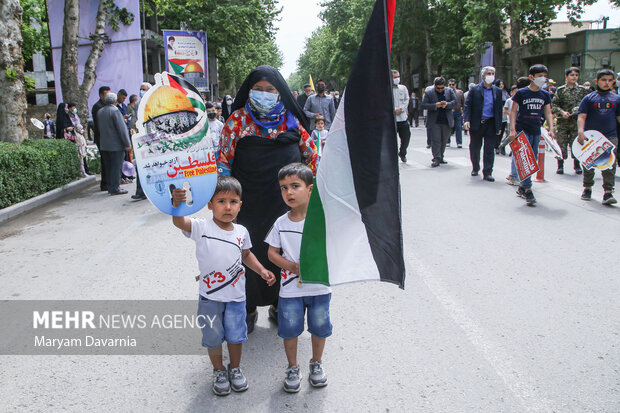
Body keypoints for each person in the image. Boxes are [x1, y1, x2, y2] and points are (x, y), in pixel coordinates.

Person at [217, 65, 317, 333]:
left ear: (279, 93)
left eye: (270, 90)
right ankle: (246, 309)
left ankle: (279, 304)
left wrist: (312, 197)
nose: (264, 94)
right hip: (247, 205)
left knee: (282, 254)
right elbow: (223, 162)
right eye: (258, 90)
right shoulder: (236, 121)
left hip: (284, 205)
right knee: (245, 255)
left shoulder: (293, 121)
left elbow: (311, 158)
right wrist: (228, 203)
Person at [171, 176, 275, 396]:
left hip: (236, 298)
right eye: (221, 201)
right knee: (213, 336)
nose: (227, 207)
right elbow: (180, 222)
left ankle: (235, 369)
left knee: (236, 336)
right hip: (210, 297)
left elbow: (246, 255)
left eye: (233, 201)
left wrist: (262, 270)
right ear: (210, 205)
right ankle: (218, 370)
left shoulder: (241, 232)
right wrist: (177, 204)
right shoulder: (201, 227)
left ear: (240, 205)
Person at [265, 163, 332, 393]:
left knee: (319, 328)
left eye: (295, 186)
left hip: (319, 290)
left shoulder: (322, 220)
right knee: (290, 330)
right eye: (284, 188)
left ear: (310, 189)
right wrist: (291, 267)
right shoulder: (281, 223)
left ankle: (316, 363)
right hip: (290, 291)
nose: (289, 193)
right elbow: (272, 253)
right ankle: (293, 367)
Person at [508, 64, 555, 206]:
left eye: (544, 76)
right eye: (539, 76)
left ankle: (522, 186)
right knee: (525, 159)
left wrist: (551, 129)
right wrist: (512, 129)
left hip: (536, 129)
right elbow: (513, 111)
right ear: (531, 77)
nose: (542, 78)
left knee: (533, 160)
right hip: (522, 130)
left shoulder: (545, 94)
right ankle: (528, 189)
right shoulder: (522, 93)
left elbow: (547, 112)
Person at [577, 69, 620, 205]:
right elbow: (581, 117)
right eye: (603, 80)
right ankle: (587, 188)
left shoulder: (616, 99)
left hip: (610, 136)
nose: (606, 83)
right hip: (592, 137)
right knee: (588, 163)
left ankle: (608, 192)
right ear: (597, 81)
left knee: (609, 163)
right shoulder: (589, 98)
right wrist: (580, 131)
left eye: (609, 80)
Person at [463, 66, 504, 181]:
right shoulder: (475, 89)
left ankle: (488, 172)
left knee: (489, 149)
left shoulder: (497, 91)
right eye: (488, 73)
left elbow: (499, 110)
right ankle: (475, 167)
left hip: (491, 123)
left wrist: (499, 125)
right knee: (475, 147)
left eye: (492, 73)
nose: (491, 76)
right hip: (477, 123)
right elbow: (468, 106)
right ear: (483, 76)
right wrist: (467, 120)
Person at [551, 67, 588, 175]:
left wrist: (579, 109)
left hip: (576, 121)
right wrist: (562, 112)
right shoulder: (560, 90)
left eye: (576, 75)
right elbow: (554, 105)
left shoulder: (582, 90)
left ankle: (577, 165)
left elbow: (586, 104)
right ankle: (560, 165)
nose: (574, 77)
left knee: (576, 143)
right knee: (561, 143)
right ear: (566, 76)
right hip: (563, 121)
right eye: (572, 75)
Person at [97, 92, 132, 196]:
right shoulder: (115, 111)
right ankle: (115, 188)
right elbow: (122, 129)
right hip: (116, 145)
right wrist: (127, 143)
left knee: (109, 167)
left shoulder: (100, 111)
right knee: (116, 167)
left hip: (104, 144)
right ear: (115, 101)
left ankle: (110, 186)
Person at [422, 77, 457, 167]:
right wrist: (435, 105)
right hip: (434, 121)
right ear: (434, 86)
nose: (440, 90)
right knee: (436, 140)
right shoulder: (429, 92)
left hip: (446, 119)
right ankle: (436, 158)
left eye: (442, 88)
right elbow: (423, 105)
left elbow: (455, 102)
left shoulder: (449, 91)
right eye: (438, 88)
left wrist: (447, 104)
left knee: (444, 140)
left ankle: (441, 156)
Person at [503, 79, 530, 186]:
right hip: (519, 127)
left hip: (525, 127)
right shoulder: (519, 97)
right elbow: (512, 112)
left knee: (521, 153)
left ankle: (515, 175)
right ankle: (514, 176)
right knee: (518, 152)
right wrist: (513, 129)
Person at [92, 86, 111, 191]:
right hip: (102, 138)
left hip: (108, 138)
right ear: (101, 95)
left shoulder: (107, 106)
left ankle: (110, 181)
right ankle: (105, 183)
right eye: (106, 94)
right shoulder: (98, 107)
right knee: (105, 160)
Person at [68, 102, 92, 176]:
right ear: (69, 108)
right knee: (79, 155)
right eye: (73, 107)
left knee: (83, 153)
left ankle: (85, 169)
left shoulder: (76, 116)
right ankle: (81, 171)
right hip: (74, 137)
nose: (74, 109)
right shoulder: (68, 117)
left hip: (80, 136)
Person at [391, 70, 410, 162]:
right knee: (392, 141)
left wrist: (402, 109)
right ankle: (392, 156)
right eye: (394, 77)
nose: (397, 79)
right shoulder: (386, 89)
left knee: (406, 137)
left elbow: (407, 99)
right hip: (391, 119)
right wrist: (394, 110)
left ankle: (402, 153)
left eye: (398, 77)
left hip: (403, 118)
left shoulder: (403, 88)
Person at [494, 79, 510, 154]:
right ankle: (496, 146)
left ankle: (500, 145)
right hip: (497, 113)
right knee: (497, 131)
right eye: (500, 84)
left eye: (502, 84)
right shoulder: (495, 92)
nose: (501, 86)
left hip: (505, 114)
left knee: (503, 130)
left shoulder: (506, 93)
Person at [448, 79, 464, 148]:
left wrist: (463, 111)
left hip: (457, 111)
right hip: (449, 111)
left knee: (458, 127)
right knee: (448, 127)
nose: (451, 86)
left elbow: (463, 103)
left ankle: (459, 142)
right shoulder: (446, 92)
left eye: (453, 84)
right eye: (450, 84)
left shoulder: (460, 92)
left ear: (455, 85)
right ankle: (447, 141)